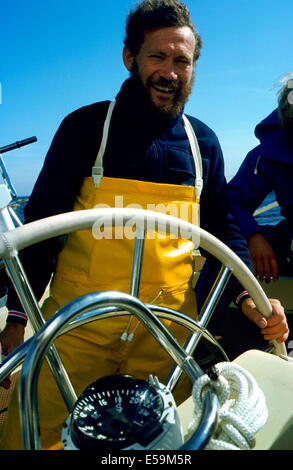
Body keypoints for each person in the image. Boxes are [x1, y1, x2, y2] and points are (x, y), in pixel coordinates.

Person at [0, 0, 288, 450]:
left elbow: (222, 233)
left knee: (171, 442)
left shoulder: (204, 144)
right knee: (31, 432)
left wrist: (247, 298)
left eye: (182, 61)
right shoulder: (86, 129)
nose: (170, 72)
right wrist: (16, 320)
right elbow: (41, 229)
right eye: (158, 56)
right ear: (129, 57)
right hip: (78, 328)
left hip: (169, 333)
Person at [228, 74, 293, 283]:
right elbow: (232, 200)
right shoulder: (270, 152)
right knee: (226, 251)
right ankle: (202, 314)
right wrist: (253, 236)